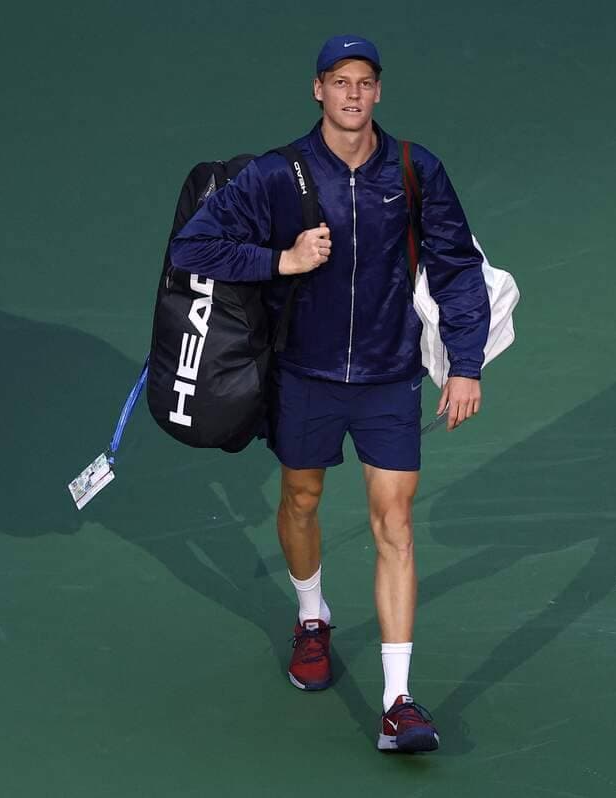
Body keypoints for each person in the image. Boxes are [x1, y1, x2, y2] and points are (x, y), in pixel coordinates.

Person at [168, 35, 490, 753]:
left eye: (365, 82)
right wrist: (280, 259)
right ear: (318, 90)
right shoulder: (280, 173)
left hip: (387, 377)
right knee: (302, 501)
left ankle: (398, 703)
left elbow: (457, 266)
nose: (352, 94)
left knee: (394, 524)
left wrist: (465, 364)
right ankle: (312, 618)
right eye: (339, 81)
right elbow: (193, 246)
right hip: (304, 377)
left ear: (378, 92)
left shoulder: (414, 168)